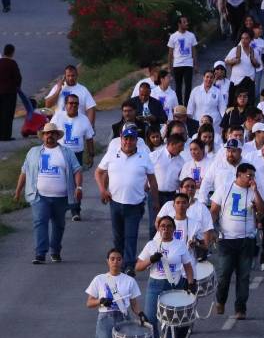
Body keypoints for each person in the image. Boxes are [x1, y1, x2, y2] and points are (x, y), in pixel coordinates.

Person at [134, 216, 196, 338]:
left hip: (173, 284)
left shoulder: (179, 245)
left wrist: (190, 283)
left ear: (173, 229)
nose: (165, 229)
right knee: (151, 319)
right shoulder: (151, 245)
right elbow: (138, 267)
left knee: (169, 321)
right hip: (155, 284)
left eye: (169, 226)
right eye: (162, 226)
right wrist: (151, 260)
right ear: (158, 228)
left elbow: (187, 266)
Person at [16, 122, 83, 264]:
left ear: (57, 136)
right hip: (40, 196)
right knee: (40, 222)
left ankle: (55, 250)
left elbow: (77, 170)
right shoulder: (33, 152)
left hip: (61, 197)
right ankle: (40, 253)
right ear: (42, 136)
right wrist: (18, 191)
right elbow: (24, 172)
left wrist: (78, 187)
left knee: (59, 224)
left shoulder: (66, 152)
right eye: (47, 133)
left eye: (52, 133)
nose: (49, 136)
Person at [96, 126, 159, 276]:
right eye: (126, 139)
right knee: (118, 236)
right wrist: (102, 190)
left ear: (136, 141)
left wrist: (155, 201)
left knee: (131, 235)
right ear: (121, 139)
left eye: (131, 139)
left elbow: (152, 180)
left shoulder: (144, 156)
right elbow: (98, 172)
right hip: (115, 202)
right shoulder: (112, 154)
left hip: (135, 203)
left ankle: (129, 265)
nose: (128, 142)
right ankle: (118, 263)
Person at [209, 163, 264, 318]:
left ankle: (240, 308)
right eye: (249, 175)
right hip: (227, 239)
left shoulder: (253, 192)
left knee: (244, 276)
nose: (251, 179)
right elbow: (214, 210)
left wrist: (256, 192)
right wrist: (210, 229)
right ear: (239, 175)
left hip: (246, 239)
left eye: (253, 176)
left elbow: (262, 210)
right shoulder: (225, 188)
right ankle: (221, 300)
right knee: (224, 274)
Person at [0, 44, 20, 140]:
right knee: (8, 114)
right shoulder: (12, 64)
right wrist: (17, 88)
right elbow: (18, 78)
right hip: (9, 93)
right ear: (12, 52)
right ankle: (6, 135)